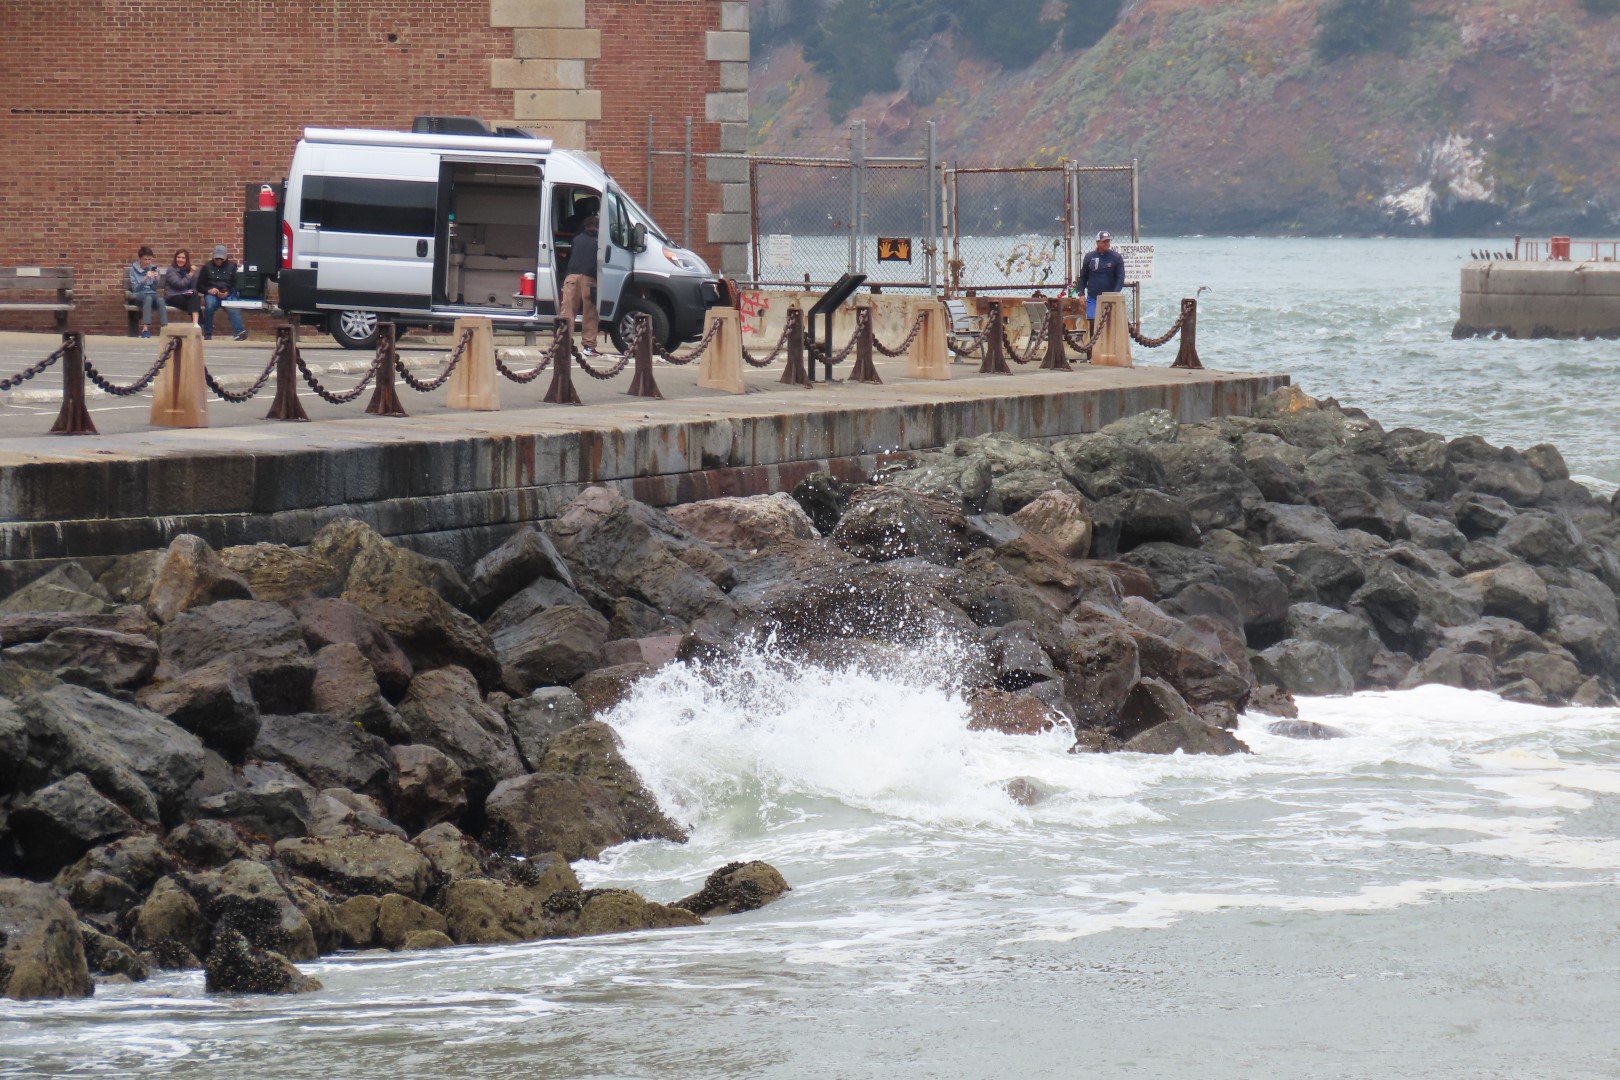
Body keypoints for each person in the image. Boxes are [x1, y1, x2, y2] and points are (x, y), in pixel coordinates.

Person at [560, 213, 600, 356]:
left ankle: (564, 343)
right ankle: (588, 347)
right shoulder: (598, 241)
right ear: (596, 226)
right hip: (589, 278)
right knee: (590, 313)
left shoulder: (576, 239)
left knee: (568, 312)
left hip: (571, 277)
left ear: (585, 226)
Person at [198, 244, 247, 341]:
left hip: (227, 293)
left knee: (232, 306)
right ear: (213, 256)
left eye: (221, 258)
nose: (219, 260)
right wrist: (208, 290)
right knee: (210, 306)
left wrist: (228, 292)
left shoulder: (232, 267)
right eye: (217, 258)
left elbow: (235, 284)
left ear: (225, 256)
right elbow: (199, 285)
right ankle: (207, 333)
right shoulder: (206, 267)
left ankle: (239, 332)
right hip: (212, 294)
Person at [1078, 230, 1125, 323]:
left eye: (1108, 241)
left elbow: (1120, 278)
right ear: (1097, 242)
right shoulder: (1089, 257)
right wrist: (1081, 294)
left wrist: (1114, 294)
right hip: (1093, 297)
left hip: (1110, 297)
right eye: (1104, 241)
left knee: (1109, 323)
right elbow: (1083, 276)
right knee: (1092, 322)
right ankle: (1093, 338)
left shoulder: (1116, 257)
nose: (1107, 243)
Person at [127, 246, 167, 337]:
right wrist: (145, 279)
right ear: (140, 259)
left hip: (151, 293)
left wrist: (156, 280)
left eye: (150, 259)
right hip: (139, 295)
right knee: (147, 298)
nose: (148, 262)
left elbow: (154, 288)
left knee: (161, 300)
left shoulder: (154, 269)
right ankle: (145, 329)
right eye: (145, 259)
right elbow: (135, 289)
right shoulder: (133, 270)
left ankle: (165, 328)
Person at [163, 249, 200, 326]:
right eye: (178, 257)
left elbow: (193, 286)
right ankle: (197, 325)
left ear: (186, 260)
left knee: (195, 296)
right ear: (175, 258)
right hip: (172, 297)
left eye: (183, 258)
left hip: (185, 296)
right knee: (195, 305)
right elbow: (179, 285)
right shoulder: (171, 270)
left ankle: (196, 324)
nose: (180, 260)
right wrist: (190, 274)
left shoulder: (188, 270)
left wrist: (190, 291)